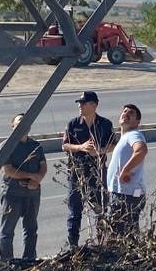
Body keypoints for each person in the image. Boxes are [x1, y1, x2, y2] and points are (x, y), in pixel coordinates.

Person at [60, 90, 117, 250]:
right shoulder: (73, 123)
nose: (80, 106)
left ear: (93, 105)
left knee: (101, 209)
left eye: (83, 103)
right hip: (77, 173)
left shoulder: (105, 124)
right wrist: (81, 147)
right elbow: (64, 145)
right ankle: (73, 246)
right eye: (79, 103)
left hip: (97, 173)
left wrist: (98, 150)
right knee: (74, 210)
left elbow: (113, 145)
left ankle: (102, 242)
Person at [0, 113, 47, 260]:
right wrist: (32, 176)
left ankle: (29, 259)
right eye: (18, 122)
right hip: (13, 193)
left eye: (25, 122)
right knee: (7, 231)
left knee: (31, 230)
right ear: (12, 126)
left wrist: (38, 179)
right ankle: (7, 262)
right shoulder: (6, 145)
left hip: (32, 194)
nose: (22, 125)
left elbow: (43, 166)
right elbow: (8, 170)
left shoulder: (36, 146)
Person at [105, 103, 149, 237]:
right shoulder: (124, 137)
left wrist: (125, 170)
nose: (126, 114)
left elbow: (141, 150)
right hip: (123, 192)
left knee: (121, 233)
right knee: (126, 231)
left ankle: (129, 255)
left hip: (127, 194)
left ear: (137, 121)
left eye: (131, 113)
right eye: (124, 112)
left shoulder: (133, 135)